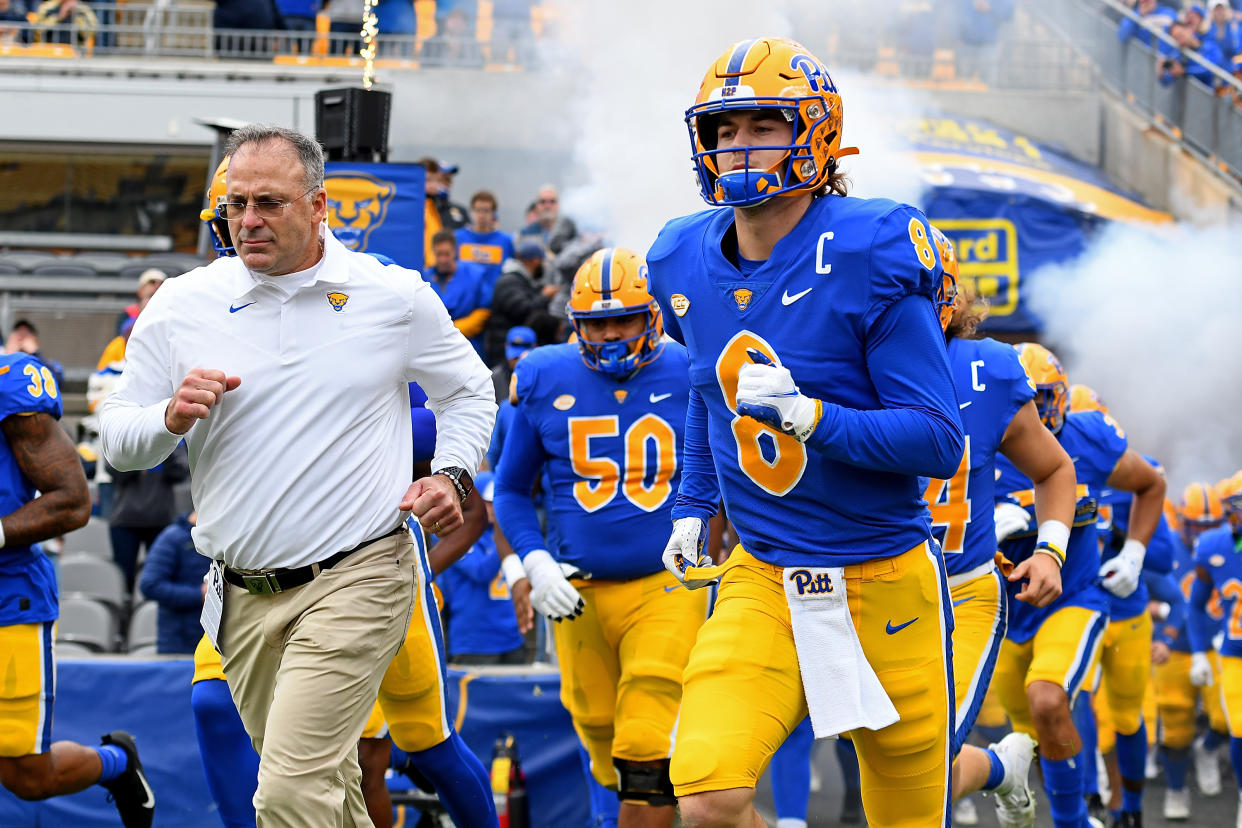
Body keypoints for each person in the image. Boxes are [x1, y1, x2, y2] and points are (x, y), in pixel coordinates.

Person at [98, 123, 495, 828]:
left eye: (269, 203)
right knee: (331, 792)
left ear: (318, 207)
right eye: (235, 202)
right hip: (243, 592)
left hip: (361, 571)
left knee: (287, 792)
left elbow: (469, 392)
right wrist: (169, 416)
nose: (247, 220)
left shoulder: (391, 295)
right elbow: (119, 445)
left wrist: (453, 474)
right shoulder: (182, 303)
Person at [646, 37, 965, 828]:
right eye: (723, 130)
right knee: (709, 799)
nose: (736, 147)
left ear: (815, 134)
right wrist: (693, 500)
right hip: (766, 577)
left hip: (885, 576)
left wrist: (809, 418)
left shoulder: (871, 245)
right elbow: (703, 385)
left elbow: (937, 439)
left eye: (761, 125)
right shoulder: (680, 254)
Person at [495, 246, 705, 828]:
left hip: (668, 584)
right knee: (595, 727)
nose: (611, 333)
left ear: (652, 316)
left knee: (647, 732)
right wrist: (532, 563)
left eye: (624, 319)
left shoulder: (691, 370)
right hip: (577, 590)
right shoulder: (542, 374)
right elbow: (511, 490)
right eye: (597, 322)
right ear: (575, 323)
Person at [926, 234, 1076, 821]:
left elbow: (1055, 468)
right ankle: (1000, 767)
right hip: (863, 587)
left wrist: (1050, 549)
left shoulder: (985, 368)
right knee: (885, 759)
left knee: (922, 766)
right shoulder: (840, 364)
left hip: (959, 590)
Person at [991, 343, 1165, 828]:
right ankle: (1049, 801)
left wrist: (1133, 553)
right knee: (1026, 736)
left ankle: (1092, 814)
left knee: (1054, 700)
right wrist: (980, 526)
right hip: (1001, 611)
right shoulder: (974, 438)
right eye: (1023, 399)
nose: (1034, 412)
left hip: (1074, 598)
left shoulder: (1088, 439)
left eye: (1042, 398)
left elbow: (1151, 484)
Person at [0, 348, 155, 826]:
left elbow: (71, 500)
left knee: (28, 777)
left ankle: (117, 763)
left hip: (7, 600)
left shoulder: (10, 383)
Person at [1188, 472, 1242, 828]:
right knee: (1239, 730)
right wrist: (1197, 651)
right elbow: (1196, 604)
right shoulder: (1212, 547)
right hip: (1235, 654)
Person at [438, 472, 526, 664]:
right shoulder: (458, 534)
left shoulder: (502, 534)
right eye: (488, 502)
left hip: (511, 639)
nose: (494, 509)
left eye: (497, 502)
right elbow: (481, 571)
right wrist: (505, 539)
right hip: (474, 642)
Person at [105, 442, 188, 597]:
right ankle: (124, 616)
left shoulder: (174, 440)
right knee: (123, 580)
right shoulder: (125, 437)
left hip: (161, 520)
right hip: (125, 520)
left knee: (161, 577)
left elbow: (180, 472)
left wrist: (163, 446)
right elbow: (113, 470)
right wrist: (140, 450)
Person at [138, 510, 208, 654]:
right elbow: (150, 585)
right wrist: (199, 594)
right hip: (179, 643)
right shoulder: (172, 537)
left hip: (214, 638)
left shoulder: (222, 538)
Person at [427, 229, 491, 355]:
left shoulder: (474, 274)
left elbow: (485, 309)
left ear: (455, 252)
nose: (443, 259)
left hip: (468, 346)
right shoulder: (425, 277)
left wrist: (455, 329)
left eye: (447, 254)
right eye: (439, 254)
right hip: (434, 348)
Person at [456, 189, 515, 300]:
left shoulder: (505, 241)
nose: (482, 215)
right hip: (465, 300)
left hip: (495, 301)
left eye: (486, 211)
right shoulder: (458, 238)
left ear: (493, 214)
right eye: (478, 210)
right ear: (472, 212)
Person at [517, 184, 577, 255]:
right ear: (537, 206)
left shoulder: (569, 231)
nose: (547, 206)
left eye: (552, 201)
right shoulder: (525, 234)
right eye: (543, 202)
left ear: (558, 205)